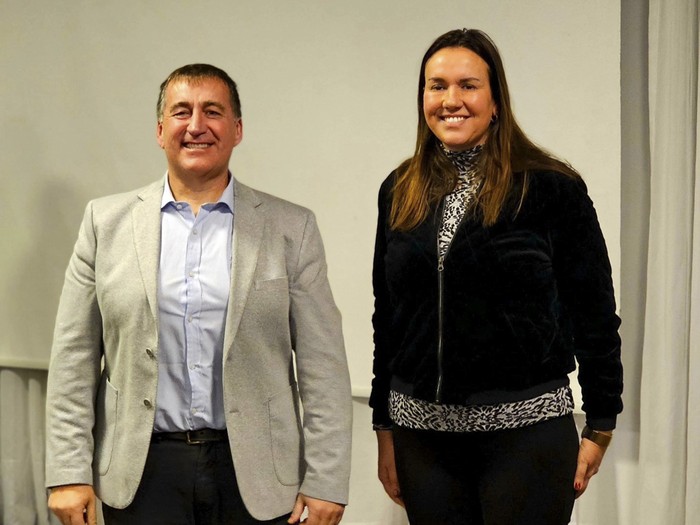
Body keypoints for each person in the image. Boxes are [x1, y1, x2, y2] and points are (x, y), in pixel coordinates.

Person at [46, 63, 352, 525]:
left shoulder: (293, 228)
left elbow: (322, 365)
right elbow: (74, 359)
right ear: (160, 129)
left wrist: (327, 480)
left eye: (212, 112)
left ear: (237, 129)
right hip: (141, 475)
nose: (196, 126)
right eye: (181, 112)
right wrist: (68, 472)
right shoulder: (104, 223)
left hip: (257, 478)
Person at [370, 29, 623, 524]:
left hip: (526, 438)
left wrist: (601, 424)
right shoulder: (399, 188)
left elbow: (594, 311)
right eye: (436, 86)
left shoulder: (551, 187)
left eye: (468, 85)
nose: (451, 101)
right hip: (423, 442)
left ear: (496, 100)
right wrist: (384, 425)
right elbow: (389, 318)